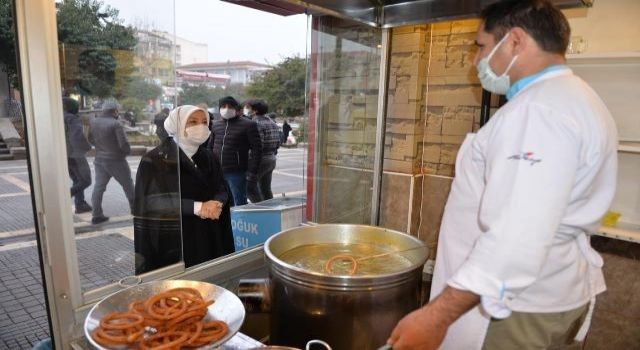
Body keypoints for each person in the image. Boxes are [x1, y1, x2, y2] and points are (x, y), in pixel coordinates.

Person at [388, 1, 618, 349]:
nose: (475, 60)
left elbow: (518, 235)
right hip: (552, 290)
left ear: (515, 41)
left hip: (515, 306)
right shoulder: (577, 98)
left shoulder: (537, 113)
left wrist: (436, 317)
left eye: (480, 45)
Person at [133, 105, 234, 273]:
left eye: (204, 122)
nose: (200, 127)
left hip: (209, 231)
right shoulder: (154, 160)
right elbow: (150, 203)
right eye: (192, 122)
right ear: (176, 124)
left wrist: (217, 202)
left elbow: (222, 187)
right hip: (178, 237)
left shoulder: (209, 156)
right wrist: (198, 207)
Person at [208, 96, 262, 206]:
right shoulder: (215, 125)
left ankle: (240, 223)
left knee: (239, 203)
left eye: (230, 106)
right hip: (218, 172)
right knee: (222, 202)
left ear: (236, 109)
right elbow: (210, 147)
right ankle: (228, 223)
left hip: (237, 173)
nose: (226, 109)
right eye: (223, 106)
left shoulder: (248, 125)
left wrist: (252, 172)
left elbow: (257, 150)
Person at [88, 100, 135, 225]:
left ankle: (96, 214)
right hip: (116, 160)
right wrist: (126, 152)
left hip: (99, 159)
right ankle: (136, 210)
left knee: (99, 187)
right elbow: (123, 143)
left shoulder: (93, 122)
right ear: (115, 111)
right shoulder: (116, 124)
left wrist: (100, 148)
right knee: (128, 185)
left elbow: (90, 139)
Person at [244, 99, 282, 202]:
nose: (247, 110)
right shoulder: (272, 122)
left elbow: (257, 145)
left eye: (249, 108)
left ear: (255, 111)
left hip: (260, 160)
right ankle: (271, 210)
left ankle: (260, 209)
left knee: (249, 187)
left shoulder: (255, 123)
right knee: (265, 188)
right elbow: (279, 142)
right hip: (271, 158)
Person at [62, 97, 92, 213]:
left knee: (77, 179)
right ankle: (64, 197)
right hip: (75, 155)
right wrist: (87, 147)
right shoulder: (72, 119)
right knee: (85, 180)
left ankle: (80, 204)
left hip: (64, 156)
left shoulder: (59, 118)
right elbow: (77, 137)